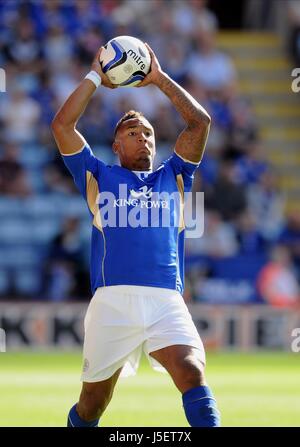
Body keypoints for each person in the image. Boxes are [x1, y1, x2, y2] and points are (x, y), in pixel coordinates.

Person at [51, 42, 220, 428]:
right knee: (93, 404)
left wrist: (159, 79)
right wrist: (96, 74)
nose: (143, 137)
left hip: (166, 299)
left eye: (147, 132)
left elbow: (200, 123)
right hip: (112, 302)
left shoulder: (174, 175)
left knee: (191, 372)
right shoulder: (98, 175)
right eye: (132, 132)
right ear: (116, 145)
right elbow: (62, 126)